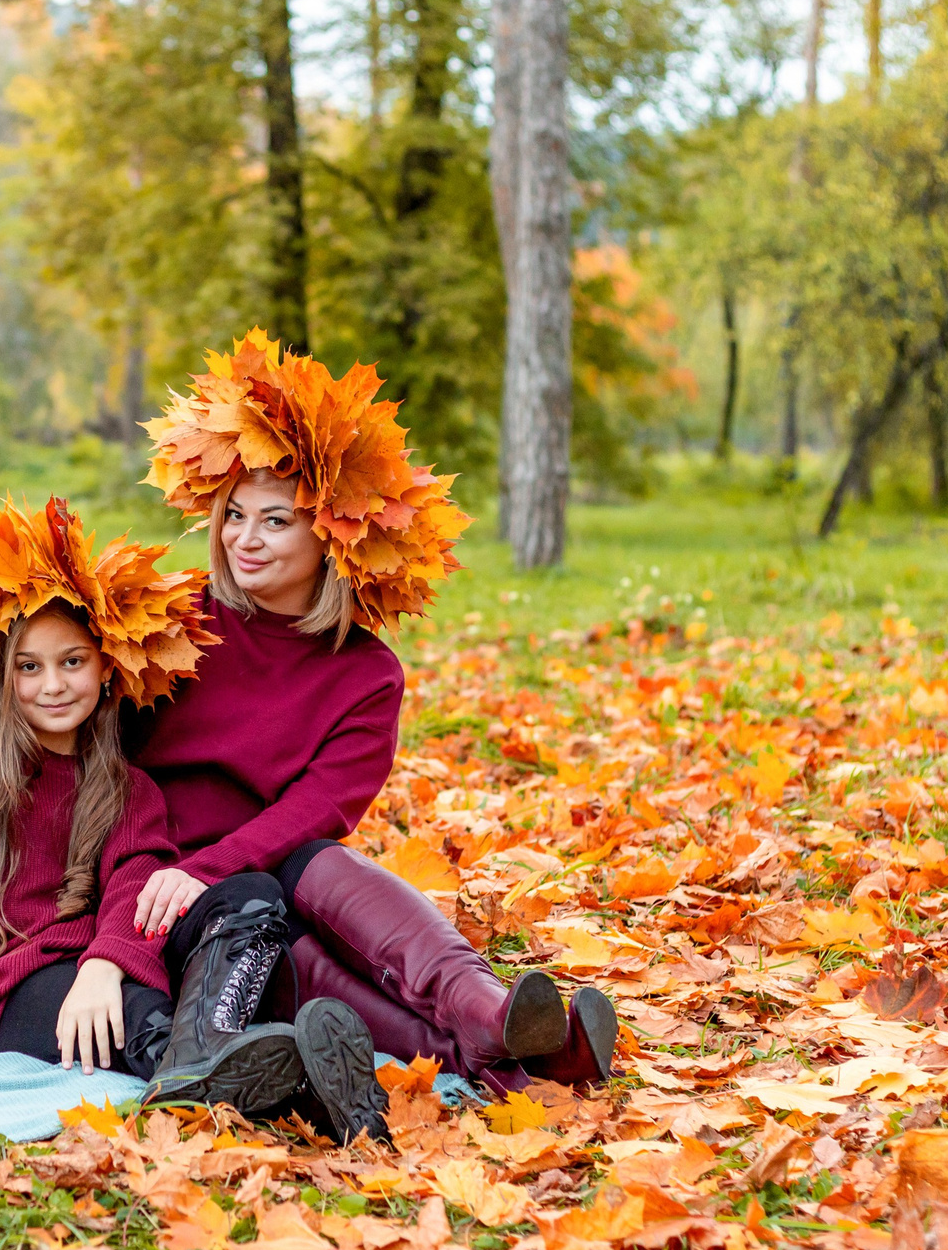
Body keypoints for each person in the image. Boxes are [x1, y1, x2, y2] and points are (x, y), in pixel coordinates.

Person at [128, 331, 619, 1100]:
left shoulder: (365, 674)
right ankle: (519, 1056)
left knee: (317, 866)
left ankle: (491, 1016)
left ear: (331, 535)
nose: (245, 539)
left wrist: (219, 865)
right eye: (235, 516)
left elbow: (318, 809)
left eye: (275, 521)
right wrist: (185, 873)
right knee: (299, 951)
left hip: (271, 868)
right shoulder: (176, 621)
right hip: (171, 890)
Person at [0, 496, 391, 1144]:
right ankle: (306, 1096)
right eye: (29, 666)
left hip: (97, 964)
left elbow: (132, 885)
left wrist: (104, 962)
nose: (52, 685)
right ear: (2, 671)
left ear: (106, 665)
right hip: (7, 987)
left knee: (253, 896)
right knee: (144, 1020)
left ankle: (223, 1061)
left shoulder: (124, 780)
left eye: (73, 662)